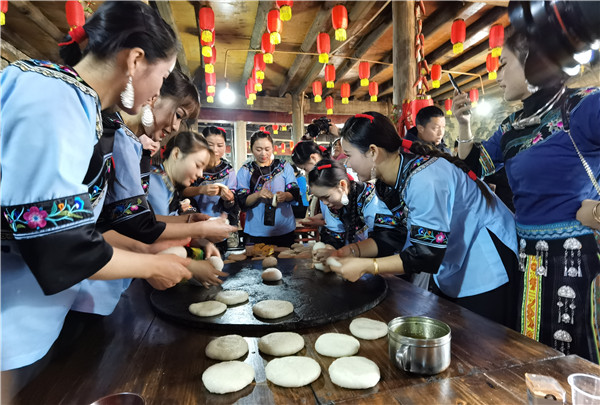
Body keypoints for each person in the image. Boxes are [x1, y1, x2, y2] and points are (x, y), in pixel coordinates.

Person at [0, 0, 191, 382]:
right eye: (164, 74)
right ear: (136, 60)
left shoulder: (85, 107)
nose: (157, 92)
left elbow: (101, 222)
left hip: (34, 311)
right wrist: (152, 264)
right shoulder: (51, 97)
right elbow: (61, 241)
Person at [453, 30, 600, 362]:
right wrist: (463, 125)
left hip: (576, 259)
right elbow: (476, 167)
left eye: (504, 64)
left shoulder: (583, 106)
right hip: (528, 259)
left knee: (578, 359)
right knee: (532, 355)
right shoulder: (511, 127)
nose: (498, 75)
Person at [327, 112, 518, 327]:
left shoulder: (424, 179)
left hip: (486, 260)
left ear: (372, 152)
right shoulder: (386, 182)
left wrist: (366, 266)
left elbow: (426, 254)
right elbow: (390, 236)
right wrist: (351, 252)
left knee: (482, 343)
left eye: (349, 155)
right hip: (454, 261)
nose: (348, 165)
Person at [72, 70, 231, 318]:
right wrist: (195, 235)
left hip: (104, 279)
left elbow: (134, 219)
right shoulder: (108, 134)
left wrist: (191, 224)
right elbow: (137, 227)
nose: (175, 126)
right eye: (177, 115)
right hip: (82, 283)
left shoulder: (128, 142)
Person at [308, 159, 395, 250]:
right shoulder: (334, 207)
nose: (324, 203)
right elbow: (334, 236)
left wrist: (355, 253)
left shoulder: (370, 198)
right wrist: (329, 249)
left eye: (326, 197)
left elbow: (387, 238)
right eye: (320, 199)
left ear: (343, 185)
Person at [236, 131, 301, 247]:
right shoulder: (245, 170)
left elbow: (295, 191)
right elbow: (242, 200)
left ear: (272, 148)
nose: (263, 153)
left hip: (284, 227)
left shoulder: (284, 166)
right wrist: (257, 195)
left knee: (286, 261)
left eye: (267, 149)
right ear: (251, 149)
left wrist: (285, 196)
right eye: (258, 149)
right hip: (257, 229)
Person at [183, 126, 238, 226]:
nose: (214, 149)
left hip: (221, 222)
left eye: (220, 145)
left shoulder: (228, 170)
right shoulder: (194, 165)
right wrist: (201, 190)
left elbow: (232, 201)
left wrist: (229, 198)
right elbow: (183, 191)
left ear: (225, 146)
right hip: (195, 222)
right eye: (210, 145)